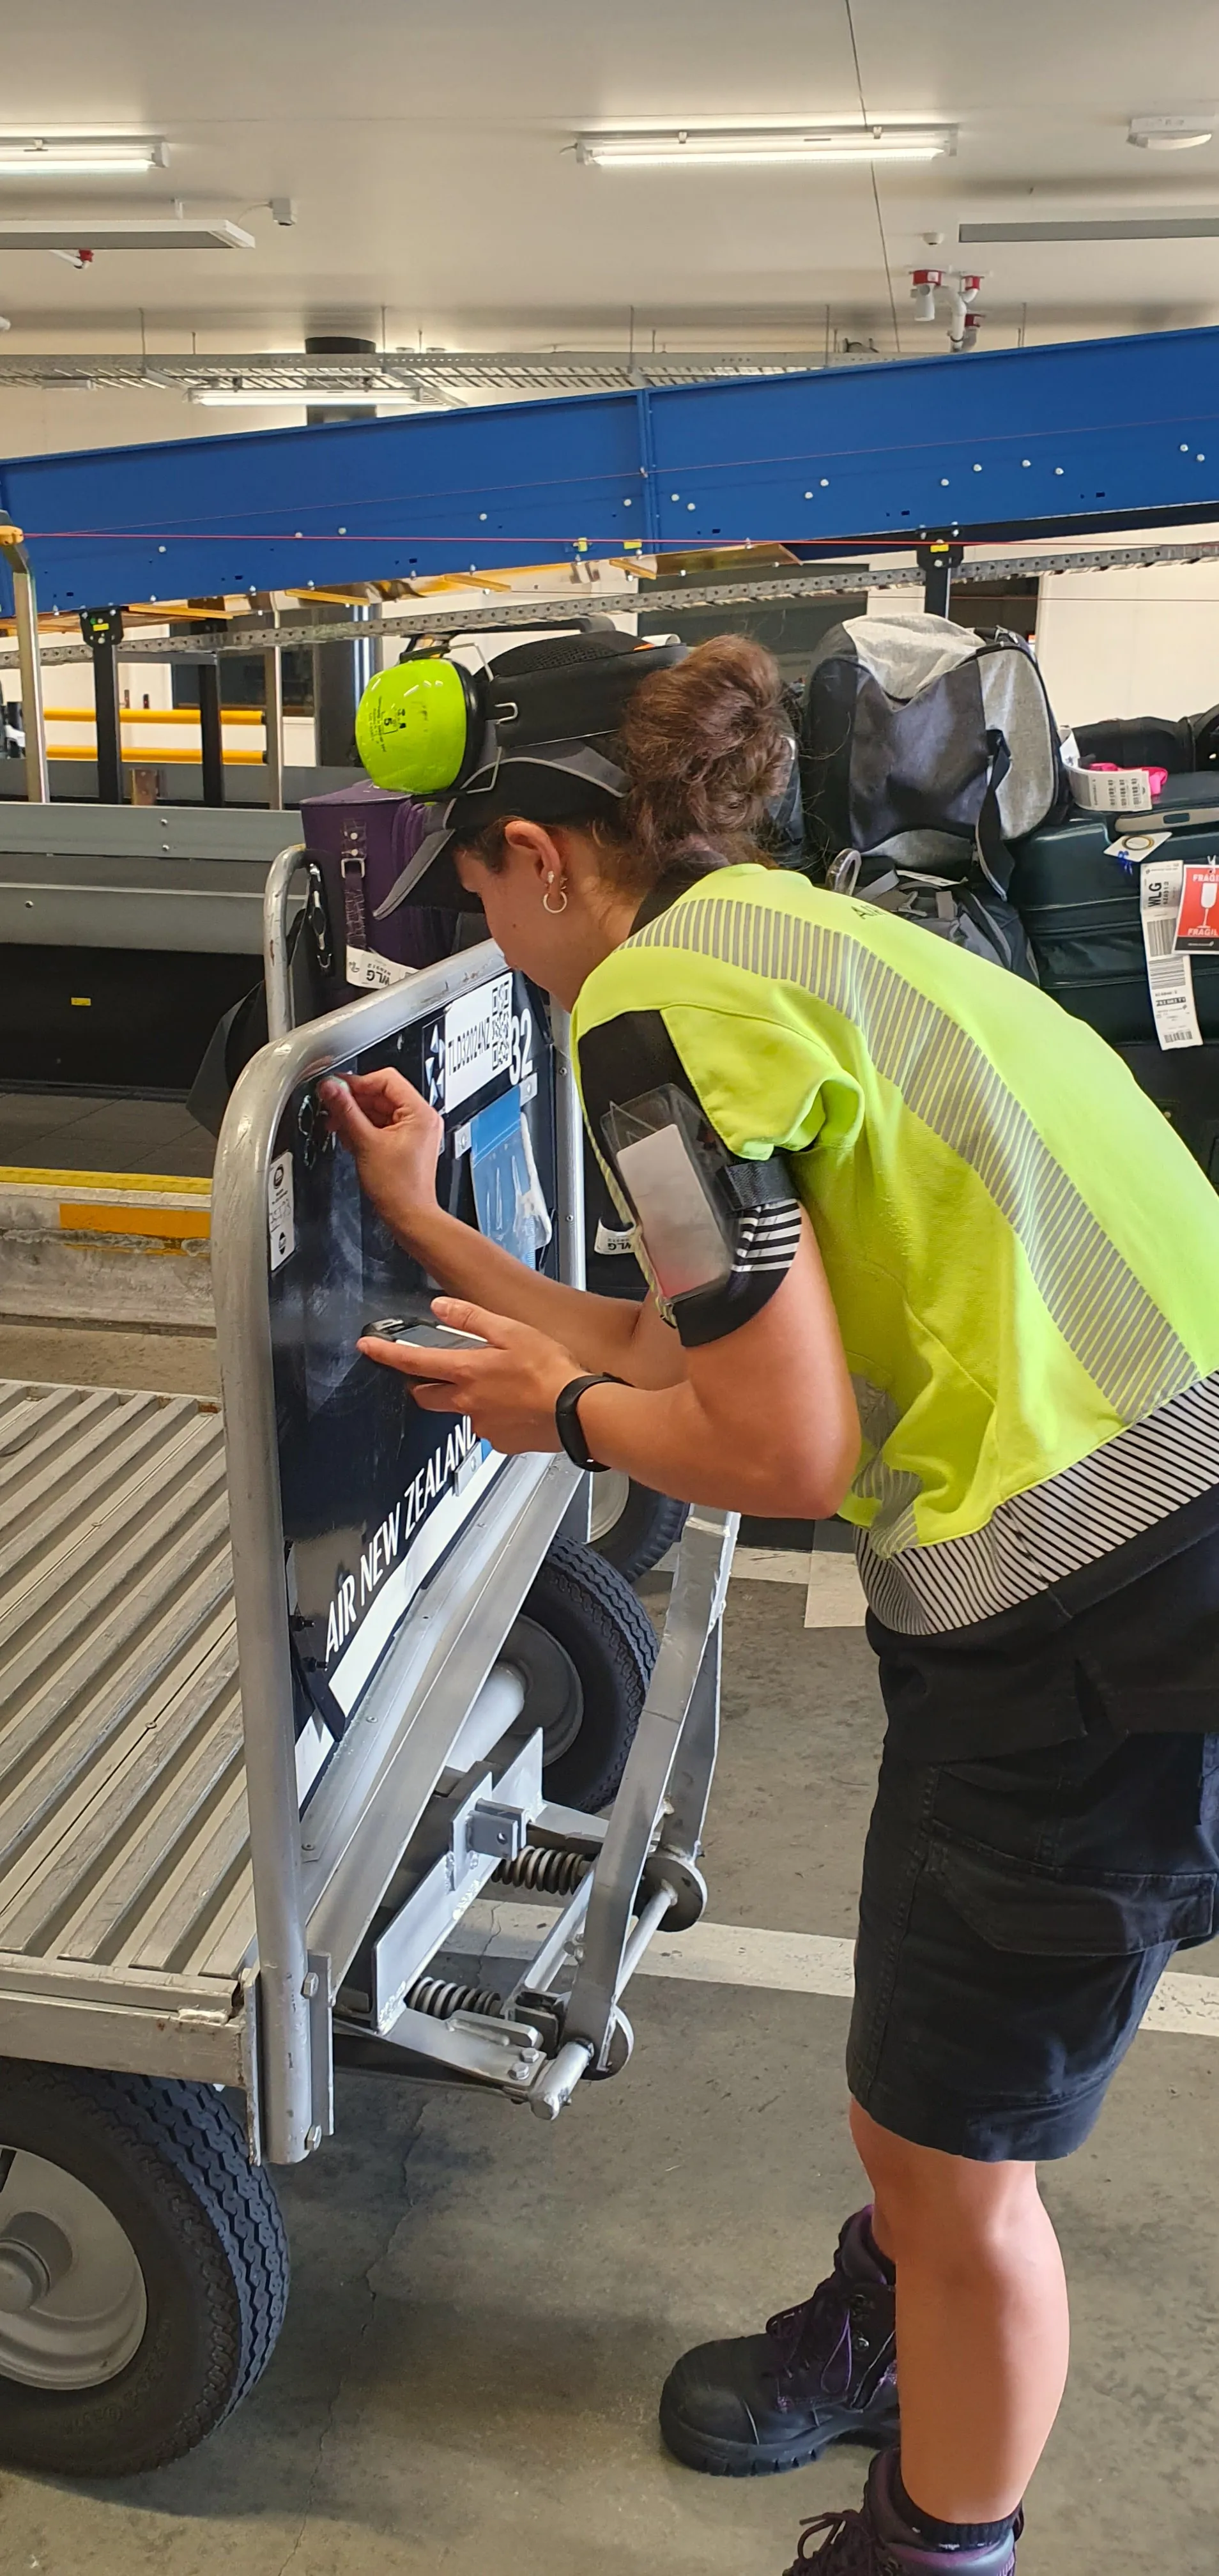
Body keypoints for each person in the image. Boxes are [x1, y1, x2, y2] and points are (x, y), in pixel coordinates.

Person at [323, 630, 1219, 2576]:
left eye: (468, 886)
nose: (478, 929)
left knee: (955, 2159)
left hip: (1106, 1633)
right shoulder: (796, 938)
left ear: (543, 856)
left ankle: (934, 2543)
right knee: (924, 2101)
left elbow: (781, 1449)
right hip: (1144, 1563)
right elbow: (706, 1334)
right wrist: (434, 1231)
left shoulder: (644, 1021)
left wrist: (554, 1418)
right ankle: (895, 2325)